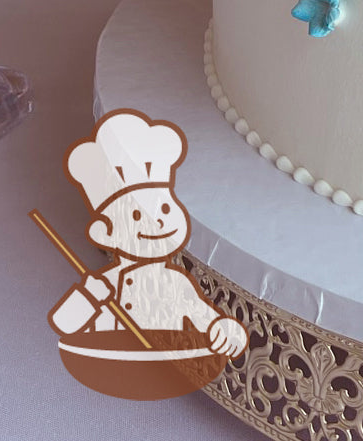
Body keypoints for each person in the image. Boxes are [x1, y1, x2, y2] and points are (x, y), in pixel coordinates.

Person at [47, 108, 247, 356]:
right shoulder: (106, 283)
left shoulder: (176, 282)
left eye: (164, 208)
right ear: (105, 234)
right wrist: (89, 295)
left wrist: (227, 329)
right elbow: (64, 323)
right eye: (136, 215)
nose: (158, 223)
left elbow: (208, 319)